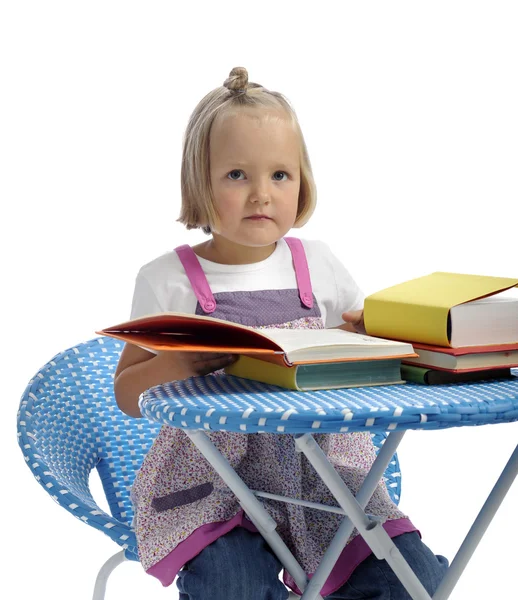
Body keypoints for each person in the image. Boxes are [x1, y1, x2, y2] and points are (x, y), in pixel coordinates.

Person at [114, 67, 448, 600]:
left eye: (279, 176)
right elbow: (127, 393)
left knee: (414, 580)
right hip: (215, 484)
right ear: (199, 182)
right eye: (236, 176)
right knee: (232, 585)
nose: (261, 196)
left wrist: (368, 335)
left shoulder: (319, 265)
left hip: (323, 477)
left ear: (302, 183)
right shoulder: (168, 280)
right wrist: (179, 363)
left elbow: (363, 353)